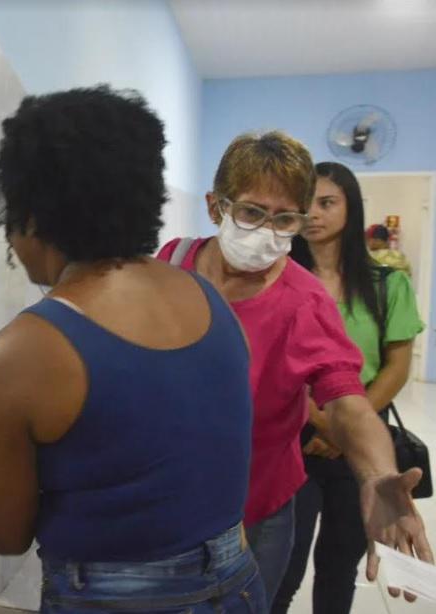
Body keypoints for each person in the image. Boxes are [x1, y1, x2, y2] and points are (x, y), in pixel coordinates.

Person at [0, 86, 266, 613]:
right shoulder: (206, 296)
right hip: (239, 581)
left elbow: (4, 532)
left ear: (33, 217)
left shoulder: (28, 348)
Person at [156, 132, 432, 605]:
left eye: (284, 219)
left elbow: (347, 401)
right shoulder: (173, 261)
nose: (266, 231)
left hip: (257, 506)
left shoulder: (305, 301)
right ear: (215, 207)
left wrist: (375, 474)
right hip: (167, 498)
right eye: (251, 213)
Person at [274, 162, 425, 613]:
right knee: (283, 566)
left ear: (350, 208)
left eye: (327, 202)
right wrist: (321, 422)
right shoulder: (276, 280)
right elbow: (271, 362)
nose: (314, 214)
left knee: (339, 568)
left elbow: (396, 367)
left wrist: (346, 428)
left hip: (360, 447)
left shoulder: (386, 284)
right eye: (305, 205)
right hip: (292, 440)